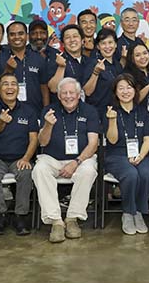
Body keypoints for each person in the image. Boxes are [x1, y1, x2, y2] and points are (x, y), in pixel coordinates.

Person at [33, 77, 100, 243]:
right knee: (39, 169)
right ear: (58, 95)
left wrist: (76, 162)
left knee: (89, 170)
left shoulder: (90, 111)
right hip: (53, 159)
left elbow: (93, 144)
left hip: (81, 159)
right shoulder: (49, 111)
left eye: (72, 93)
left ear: (79, 95)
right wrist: (48, 125)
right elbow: (42, 142)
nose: (68, 96)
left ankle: (72, 219)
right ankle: (55, 221)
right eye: (64, 93)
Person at [0, 74, 40, 236]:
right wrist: (1, 121)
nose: (10, 87)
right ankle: (1, 215)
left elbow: (34, 138)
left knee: (26, 173)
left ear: (18, 89)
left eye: (13, 84)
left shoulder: (29, 110)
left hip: (20, 157)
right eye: (5, 84)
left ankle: (20, 216)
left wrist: (26, 158)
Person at [105, 74, 149, 235]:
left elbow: (148, 139)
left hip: (140, 154)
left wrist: (140, 156)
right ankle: (128, 213)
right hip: (117, 155)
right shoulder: (110, 112)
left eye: (129, 87)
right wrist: (112, 121)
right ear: (115, 92)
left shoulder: (143, 112)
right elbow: (112, 140)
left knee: (147, 173)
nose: (125, 91)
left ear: (135, 90)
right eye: (121, 88)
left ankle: (138, 211)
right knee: (131, 174)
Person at [0, 21, 49, 110]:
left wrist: (45, 110)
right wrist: (7, 70)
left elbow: (44, 88)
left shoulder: (38, 58)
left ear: (27, 36)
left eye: (20, 34)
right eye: (12, 34)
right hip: (7, 114)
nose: (17, 37)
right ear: (8, 38)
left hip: (35, 112)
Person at [47, 24, 92, 102]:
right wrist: (61, 67)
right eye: (67, 37)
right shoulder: (55, 60)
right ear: (63, 44)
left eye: (75, 36)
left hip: (86, 110)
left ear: (82, 41)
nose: (72, 40)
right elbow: (53, 89)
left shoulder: (90, 62)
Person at [83, 28, 123, 111]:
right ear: (98, 46)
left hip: (116, 111)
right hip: (97, 112)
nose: (107, 47)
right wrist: (96, 72)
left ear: (115, 44)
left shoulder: (118, 65)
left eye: (110, 42)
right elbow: (87, 92)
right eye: (103, 43)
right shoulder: (93, 63)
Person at [124, 40, 149, 116]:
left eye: (145, 53)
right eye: (138, 55)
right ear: (132, 58)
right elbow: (133, 100)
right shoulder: (127, 75)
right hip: (138, 116)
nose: (143, 57)